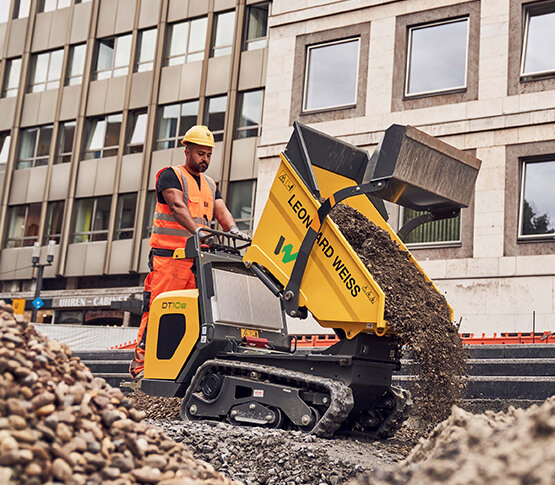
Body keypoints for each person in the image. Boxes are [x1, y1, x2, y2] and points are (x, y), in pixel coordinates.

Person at [129, 125, 249, 378]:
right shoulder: (170, 175)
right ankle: (141, 367)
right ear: (187, 151)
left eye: (208, 155)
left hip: (197, 259)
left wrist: (234, 229)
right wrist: (198, 231)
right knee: (159, 310)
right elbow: (176, 205)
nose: (205, 160)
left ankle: (177, 367)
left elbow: (221, 210)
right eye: (200, 154)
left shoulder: (209, 183)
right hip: (169, 258)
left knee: (193, 314)